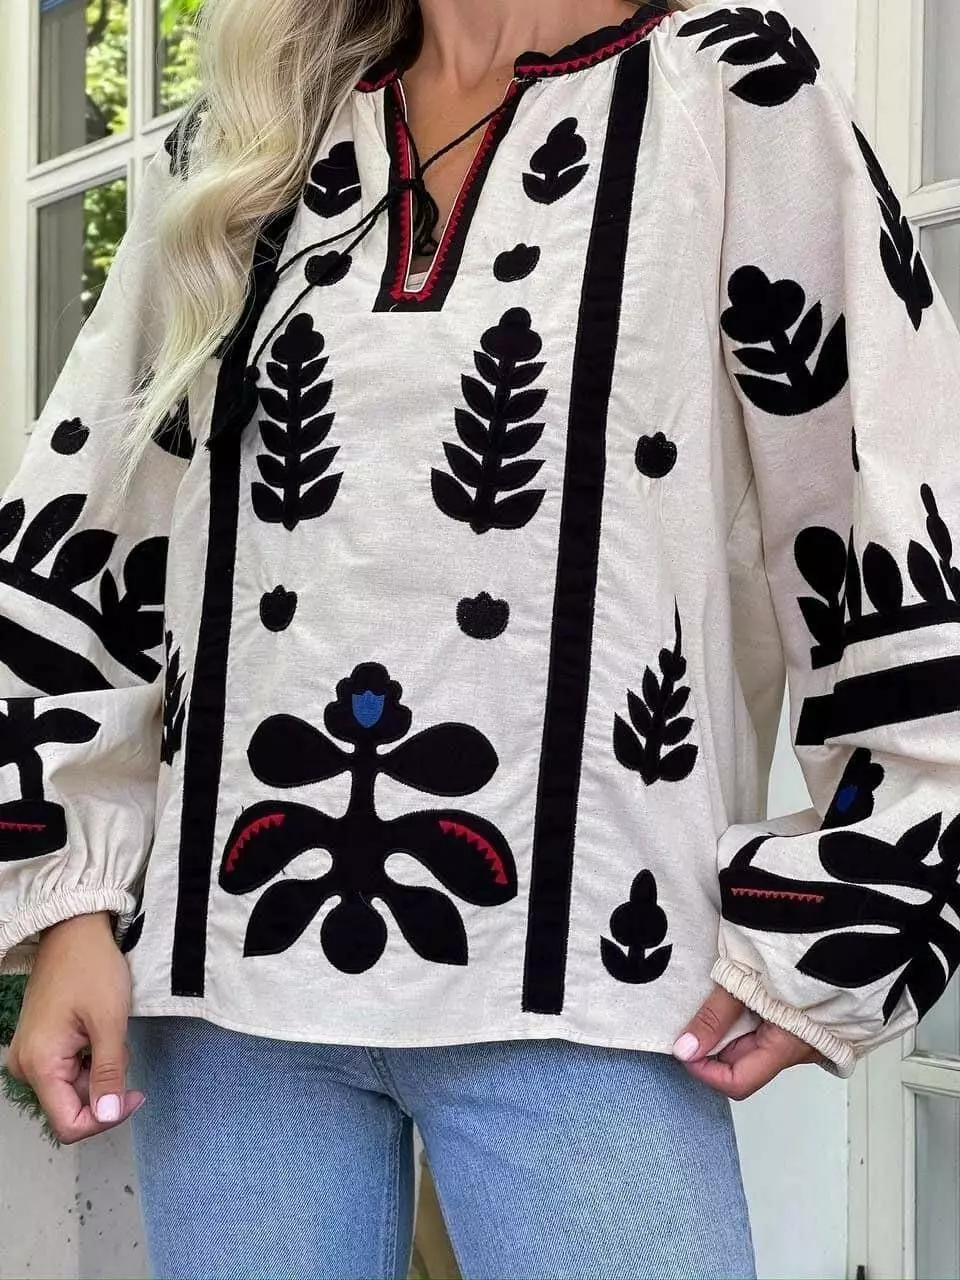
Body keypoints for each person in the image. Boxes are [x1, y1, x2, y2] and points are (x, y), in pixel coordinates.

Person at [2, 0, 959, 1274]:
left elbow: (890, 488)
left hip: (592, 983)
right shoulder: (248, 134)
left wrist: (852, 899)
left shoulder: (734, 92)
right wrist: (67, 900)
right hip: (229, 990)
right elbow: (92, 517)